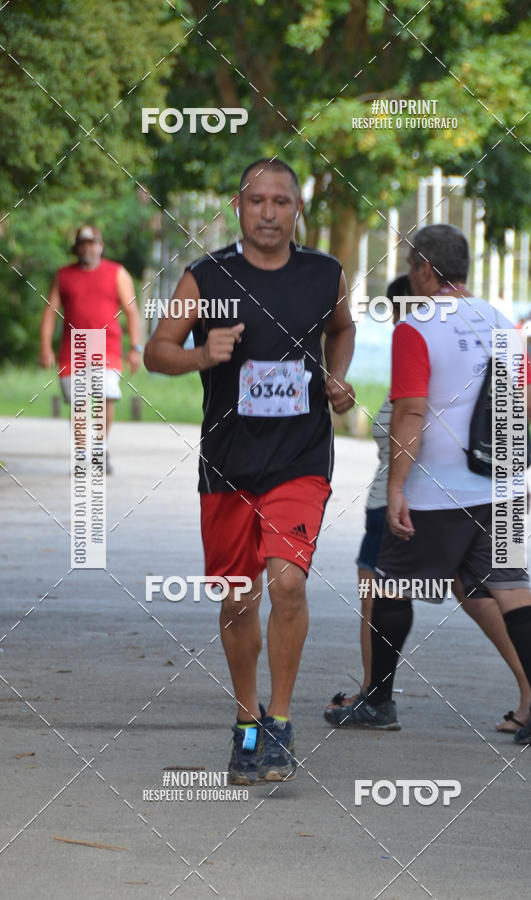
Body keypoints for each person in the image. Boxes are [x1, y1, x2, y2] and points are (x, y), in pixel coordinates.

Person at [144, 158, 356, 783]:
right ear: (237, 206)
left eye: (282, 202)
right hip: (230, 463)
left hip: (300, 458)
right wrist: (199, 354)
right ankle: (246, 722)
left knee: (287, 583)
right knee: (240, 598)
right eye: (257, 200)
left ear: (297, 210)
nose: (269, 212)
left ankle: (281, 725)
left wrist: (337, 377)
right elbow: (157, 351)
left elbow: (342, 329)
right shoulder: (207, 276)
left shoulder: (325, 274)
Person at [326, 224, 531, 748]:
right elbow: (523, 407)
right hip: (501, 485)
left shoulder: (418, 328)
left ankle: (378, 699)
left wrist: (397, 489)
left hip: (440, 490)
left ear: (427, 270)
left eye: (413, 268)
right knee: (511, 585)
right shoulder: (503, 321)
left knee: (388, 582)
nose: (411, 279)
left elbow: (410, 411)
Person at [39, 225, 142, 473]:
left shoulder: (117, 273)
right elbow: (50, 310)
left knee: (105, 396)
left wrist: (135, 347)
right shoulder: (63, 275)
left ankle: (100, 448)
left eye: (92, 243)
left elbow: (131, 311)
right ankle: (82, 453)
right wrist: (44, 346)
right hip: (73, 348)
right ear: (77, 248)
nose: (88, 248)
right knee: (79, 403)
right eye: (83, 244)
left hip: (106, 346)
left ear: (101, 246)